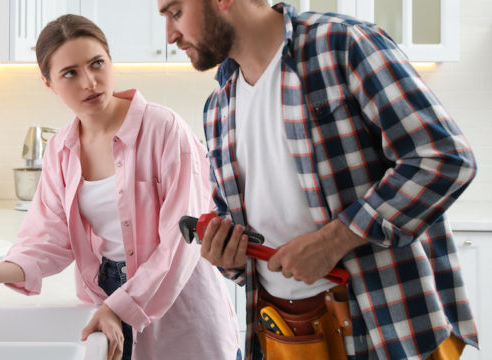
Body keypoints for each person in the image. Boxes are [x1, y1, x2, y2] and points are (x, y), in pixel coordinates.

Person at [157, 0, 478, 359]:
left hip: (383, 327)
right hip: (284, 335)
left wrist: (335, 240)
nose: (170, 34)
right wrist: (228, 254)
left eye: (175, 12)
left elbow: (443, 157)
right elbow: (243, 228)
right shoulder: (219, 105)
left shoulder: (343, 44)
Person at [0, 14, 239, 360]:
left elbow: (180, 241)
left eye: (97, 64)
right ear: (49, 83)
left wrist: (121, 307)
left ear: (110, 61)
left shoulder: (164, 129)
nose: (90, 82)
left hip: (179, 299)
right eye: (70, 73)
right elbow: (48, 237)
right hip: (104, 299)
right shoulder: (61, 149)